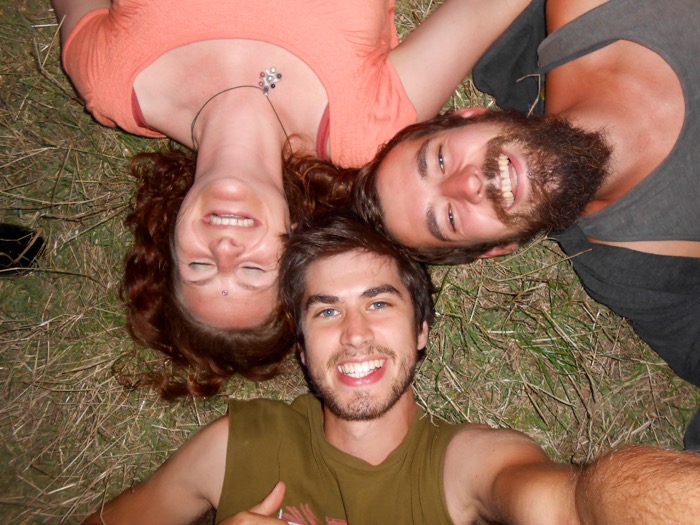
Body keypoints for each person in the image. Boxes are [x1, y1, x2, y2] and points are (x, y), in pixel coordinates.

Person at [80, 214, 700, 524]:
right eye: (327, 311)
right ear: (302, 347)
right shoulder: (238, 446)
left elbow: (573, 506)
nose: (355, 335)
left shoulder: (465, 466)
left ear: (422, 330)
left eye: (379, 304)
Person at [51, 0, 533, 396]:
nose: (225, 250)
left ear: (170, 238)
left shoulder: (112, 83)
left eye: (199, 266)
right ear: (295, 243)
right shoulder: (364, 128)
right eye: (252, 271)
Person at [348, 0, 700, 449]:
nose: (467, 184)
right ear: (499, 247)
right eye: (450, 217)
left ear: (471, 116)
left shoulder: (588, 12)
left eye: (440, 159)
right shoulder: (639, 270)